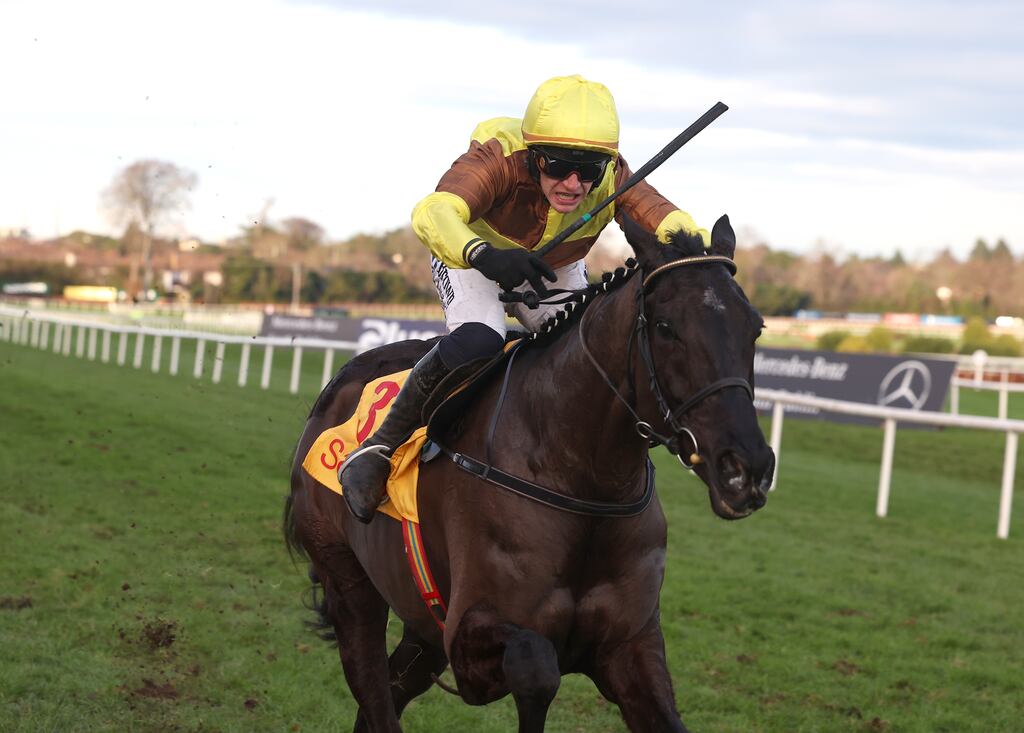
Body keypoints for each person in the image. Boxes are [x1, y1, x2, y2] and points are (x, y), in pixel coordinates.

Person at [340, 74, 708, 523]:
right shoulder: (498, 158)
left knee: (590, 353)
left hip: (552, 268)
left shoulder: (615, 175)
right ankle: (378, 447)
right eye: (558, 166)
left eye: (588, 170)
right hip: (470, 256)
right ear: (533, 156)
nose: (574, 184)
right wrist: (483, 254)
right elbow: (433, 211)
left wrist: (708, 252)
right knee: (480, 339)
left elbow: (668, 219)